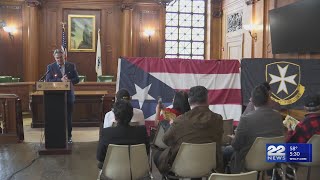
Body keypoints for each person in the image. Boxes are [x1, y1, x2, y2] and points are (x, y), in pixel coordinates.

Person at [153, 86, 224, 174]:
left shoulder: (179, 120)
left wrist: (173, 127)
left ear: (189, 101)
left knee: (156, 154)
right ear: (207, 100)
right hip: (211, 166)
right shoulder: (218, 119)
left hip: (182, 167)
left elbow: (166, 140)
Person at [228, 85, 283, 173]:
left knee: (225, 152)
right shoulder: (278, 116)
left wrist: (234, 139)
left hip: (249, 161)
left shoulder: (246, 119)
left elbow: (236, 145)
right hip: (273, 160)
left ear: (252, 101)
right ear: (269, 100)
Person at [96, 100, 149, 169]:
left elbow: (100, 157)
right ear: (131, 115)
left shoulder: (106, 133)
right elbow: (146, 152)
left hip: (113, 173)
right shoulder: (142, 131)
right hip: (137, 171)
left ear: (115, 117)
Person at [45, 49, 79, 143]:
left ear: (64, 56)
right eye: (57, 58)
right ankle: (58, 136)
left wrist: (68, 80)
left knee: (68, 117)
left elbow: (77, 79)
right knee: (57, 117)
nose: (59, 59)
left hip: (69, 95)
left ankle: (69, 137)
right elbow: (48, 81)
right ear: (54, 58)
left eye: (61, 57)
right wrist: (60, 80)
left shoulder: (71, 66)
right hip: (55, 96)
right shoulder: (50, 67)